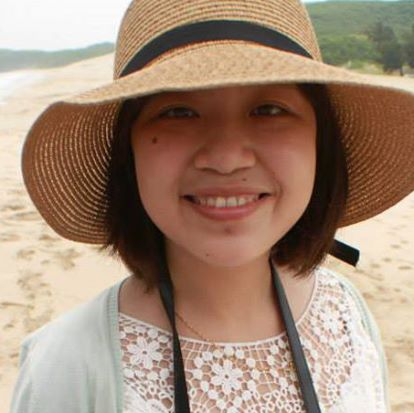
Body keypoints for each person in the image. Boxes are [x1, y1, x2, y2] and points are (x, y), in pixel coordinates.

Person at [9, 0, 414, 412]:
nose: (226, 158)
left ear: (320, 143)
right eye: (178, 112)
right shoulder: (67, 367)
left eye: (268, 109)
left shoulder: (344, 317)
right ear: (128, 154)